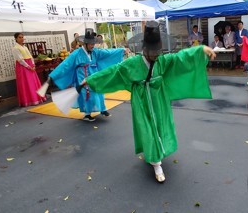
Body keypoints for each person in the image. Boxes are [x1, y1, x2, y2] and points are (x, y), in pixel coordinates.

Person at [80, 21, 216, 183]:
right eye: (154, 52)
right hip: (142, 99)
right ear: (144, 49)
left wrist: (201, 49)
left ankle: (156, 152)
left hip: (159, 98)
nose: (157, 55)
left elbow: (180, 58)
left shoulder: (162, 60)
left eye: (159, 51)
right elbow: (113, 72)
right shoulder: (132, 63)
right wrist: (90, 79)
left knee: (160, 126)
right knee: (147, 129)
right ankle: (156, 163)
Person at [48, 28, 126, 121]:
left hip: (95, 74)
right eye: (91, 44)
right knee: (86, 94)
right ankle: (87, 114)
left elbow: (107, 52)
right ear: (85, 44)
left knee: (99, 91)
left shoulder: (95, 51)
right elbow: (65, 64)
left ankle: (102, 109)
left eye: (94, 43)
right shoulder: (76, 53)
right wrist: (53, 75)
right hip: (82, 75)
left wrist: (122, 50)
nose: (93, 45)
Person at [12, 32, 46, 107]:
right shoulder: (15, 48)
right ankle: (29, 100)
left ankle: (37, 98)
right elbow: (20, 60)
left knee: (33, 82)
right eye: (19, 37)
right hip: (23, 67)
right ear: (16, 39)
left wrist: (33, 64)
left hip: (30, 66)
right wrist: (28, 66)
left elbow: (30, 57)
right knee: (26, 84)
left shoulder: (25, 47)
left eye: (22, 37)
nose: (21, 39)